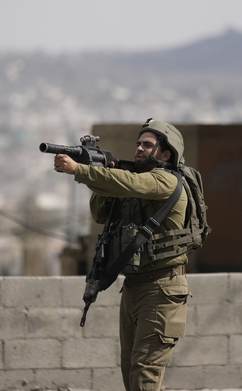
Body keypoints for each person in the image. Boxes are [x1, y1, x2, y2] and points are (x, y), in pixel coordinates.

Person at [53, 118, 189, 391]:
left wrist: (79, 170)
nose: (139, 148)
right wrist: (98, 173)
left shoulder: (165, 181)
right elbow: (100, 213)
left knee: (144, 377)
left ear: (165, 153)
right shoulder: (134, 184)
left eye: (148, 145)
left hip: (161, 290)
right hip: (134, 289)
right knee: (132, 374)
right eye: (138, 143)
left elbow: (126, 183)